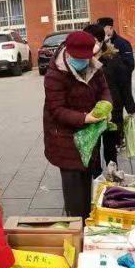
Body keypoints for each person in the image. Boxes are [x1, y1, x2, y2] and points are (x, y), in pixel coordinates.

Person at [43, 31, 111, 220]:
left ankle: (85, 221)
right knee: (74, 188)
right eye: (78, 58)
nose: (82, 62)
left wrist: (106, 105)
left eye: (85, 58)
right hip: (64, 138)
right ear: (68, 53)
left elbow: (104, 89)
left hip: (89, 137)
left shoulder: (94, 67)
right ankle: (75, 225)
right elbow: (56, 109)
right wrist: (85, 118)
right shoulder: (54, 75)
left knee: (86, 180)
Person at [83, 24, 135, 166]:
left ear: (101, 42)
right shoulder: (83, 62)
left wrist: (131, 109)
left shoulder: (114, 60)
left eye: (93, 41)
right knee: (93, 147)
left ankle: (112, 173)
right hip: (92, 113)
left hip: (113, 112)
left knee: (110, 147)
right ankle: (96, 177)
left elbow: (125, 86)